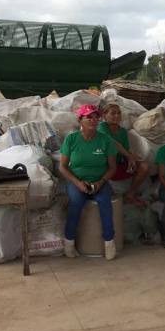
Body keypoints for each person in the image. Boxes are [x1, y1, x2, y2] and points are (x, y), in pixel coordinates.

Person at [59, 104, 118, 260]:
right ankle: (69, 243)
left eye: (96, 117)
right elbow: (63, 167)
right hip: (77, 181)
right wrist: (78, 183)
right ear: (80, 120)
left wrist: (101, 182)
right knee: (76, 202)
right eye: (88, 117)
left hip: (100, 181)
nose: (93, 120)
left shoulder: (105, 140)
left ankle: (109, 242)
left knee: (105, 202)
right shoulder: (71, 139)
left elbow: (113, 168)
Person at [97, 103, 149, 206]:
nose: (117, 116)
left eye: (119, 113)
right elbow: (112, 143)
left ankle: (130, 194)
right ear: (104, 115)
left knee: (144, 166)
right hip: (106, 165)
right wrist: (129, 156)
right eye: (113, 113)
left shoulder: (123, 131)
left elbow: (125, 150)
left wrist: (131, 158)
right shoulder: (102, 127)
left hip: (118, 163)